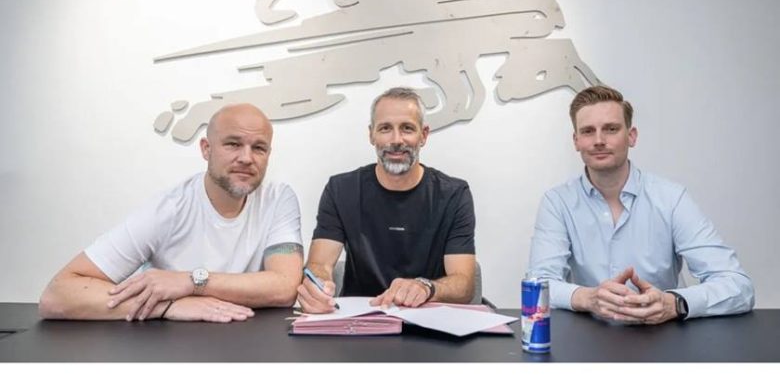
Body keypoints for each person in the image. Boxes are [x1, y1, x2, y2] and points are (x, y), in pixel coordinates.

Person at [39, 103, 304, 322]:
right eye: (233, 144)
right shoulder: (168, 209)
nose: (246, 158)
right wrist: (168, 306)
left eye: (259, 148)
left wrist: (191, 282)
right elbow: (58, 295)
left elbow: (285, 287)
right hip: (169, 347)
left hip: (250, 345)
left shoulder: (278, 199)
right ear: (206, 149)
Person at [528, 85, 754, 324]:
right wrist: (588, 298)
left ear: (631, 136)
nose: (599, 140)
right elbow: (538, 285)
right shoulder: (557, 203)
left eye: (611, 129)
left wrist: (674, 303)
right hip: (587, 338)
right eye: (588, 131)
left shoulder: (671, 199)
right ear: (576, 141)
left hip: (663, 337)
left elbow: (738, 286)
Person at [297, 87, 477, 313]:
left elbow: (464, 284)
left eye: (407, 128)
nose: (396, 140)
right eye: (385, 128)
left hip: (428, 319)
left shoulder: (454, 195)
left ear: (423, 135)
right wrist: (318, 285)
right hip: (359, 320)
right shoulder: (341, 190)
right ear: (371, 135)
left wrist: (427, 287)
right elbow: (319, 264)